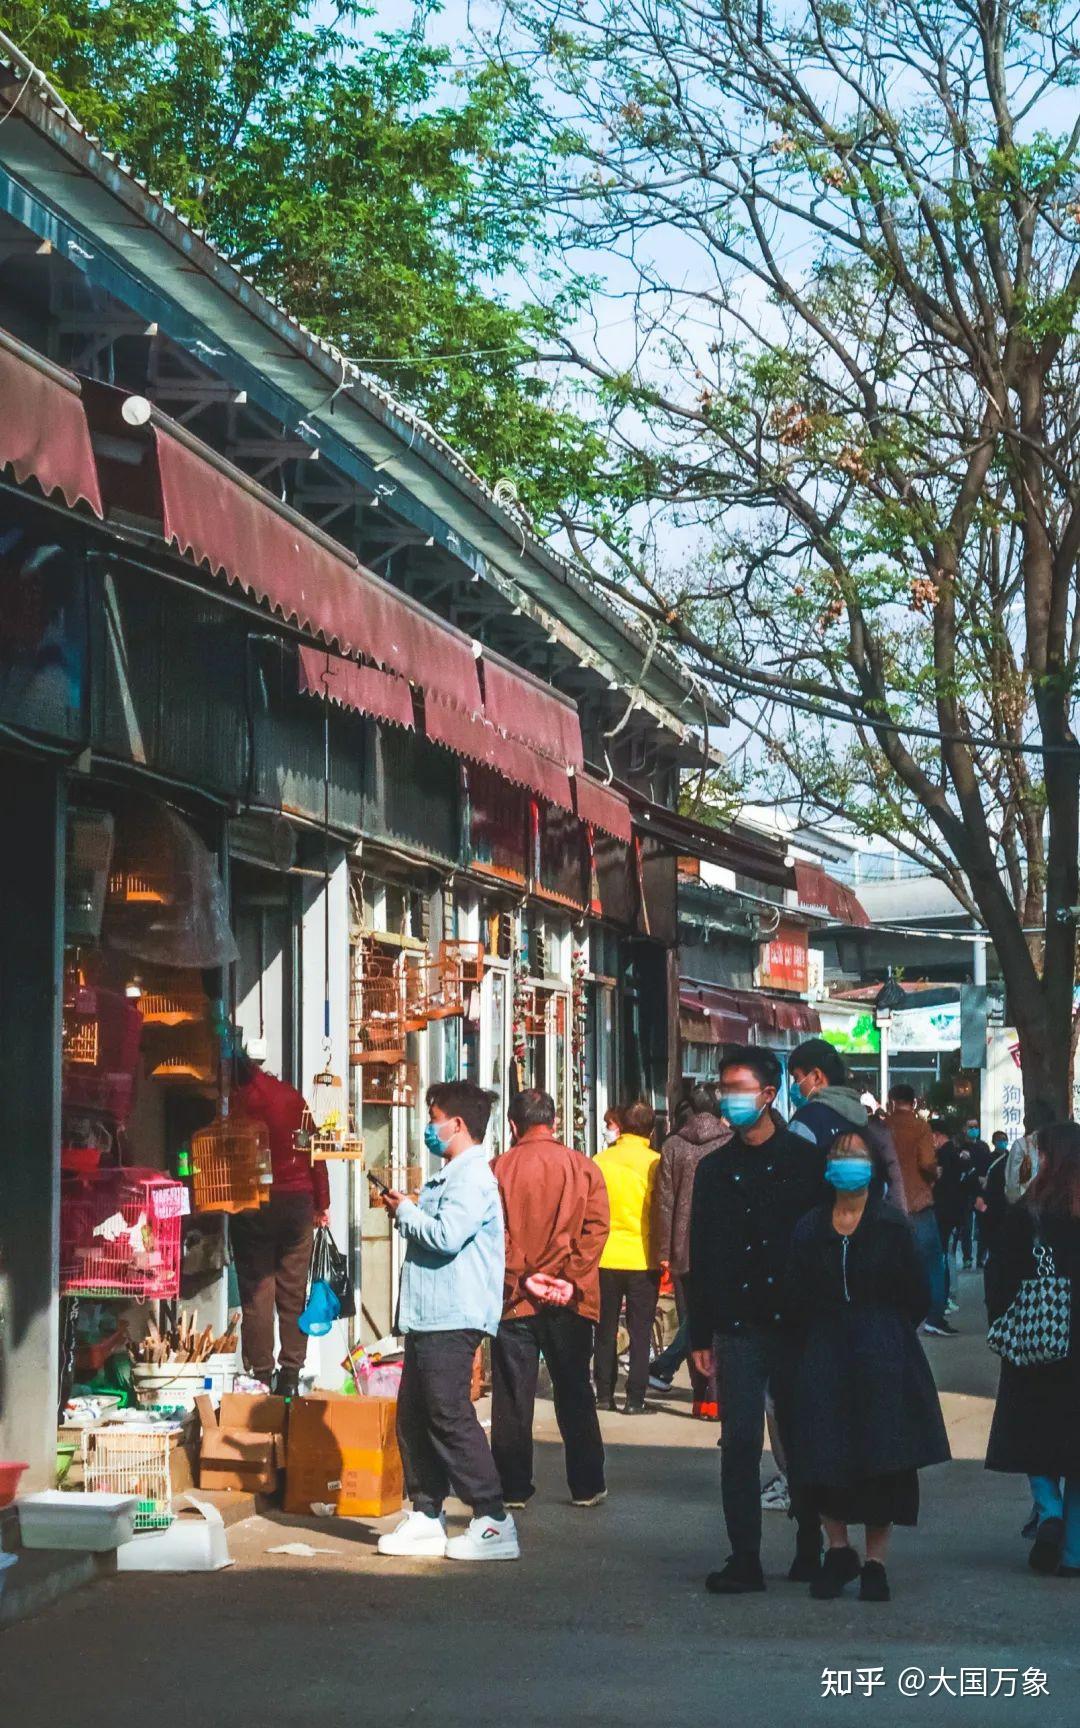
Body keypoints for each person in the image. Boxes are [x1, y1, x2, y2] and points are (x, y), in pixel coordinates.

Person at [784, 1130, 950, 1602]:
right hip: (823, 1348)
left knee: (884, 1456)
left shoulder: (891, 1225)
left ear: (873, 1167)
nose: (847, 1164)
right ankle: (838, 1549)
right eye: (838, 1156)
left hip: (882, 1348)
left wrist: (887, 1328)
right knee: (822, 1451)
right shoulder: (810, 1226)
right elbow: (795, 1291)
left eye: (855, 1157)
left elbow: (918, 1293)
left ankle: (875, 1560)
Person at [687, 1046, 826, 1595]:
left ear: (769, 1095)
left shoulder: (805, 1164)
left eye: (740, 1088)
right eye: (724, 1088)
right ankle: (744, 1554)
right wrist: (700, 1333)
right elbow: (702, 1251)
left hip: (796, 1324)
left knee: (802, 1437)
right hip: (738, 1327)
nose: (730, 1098)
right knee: (738, 1443)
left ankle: (811, 1540)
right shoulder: (714, 1168)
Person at [378, 1081, 519, 1562]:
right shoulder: (450, 1176)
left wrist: (405, 1211)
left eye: (433, 1116)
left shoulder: (472, 1177)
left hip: (453, 1315)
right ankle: (425, 1513)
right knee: (414, 1415)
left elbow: (445, 1236)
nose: (429, 1127)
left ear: (456, 1124)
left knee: (448, 1413)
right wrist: (408, 1209)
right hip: (428, 1315)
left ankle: (493, 1517)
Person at [490, 1088, 610, 1510]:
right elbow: (596, 1230)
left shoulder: (497, 1170)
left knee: (512, 1395)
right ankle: (586, 1484)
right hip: (570, 1302)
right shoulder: (583, 1167)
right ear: (555, 1123)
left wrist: (524, 1276)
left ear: (511, 1125)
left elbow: (493, 1236)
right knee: (574, 1389)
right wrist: (570, 1279)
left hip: (513, 1299)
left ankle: (513, 1487)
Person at [986, 1121, 1080, 1579]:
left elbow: (998, 1273)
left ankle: (1049, 1510)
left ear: (1048, 1158)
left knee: (1034, 1436)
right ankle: (1075, 1552)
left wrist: (1001, 1322)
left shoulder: (1028, 1211)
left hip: (1037, 1339)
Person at [231, 1054, 331, 1397]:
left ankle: (261, 1374)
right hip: (297, 1204)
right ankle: (290, 1374)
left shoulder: (238, 1100)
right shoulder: (290, 1096)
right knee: (293, 1291)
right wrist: (322, 1202)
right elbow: (313, 1152)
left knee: (259, 1291)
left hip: (254, 1201)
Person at [654, 1085, 729, 1418]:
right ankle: (719, 1397)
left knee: (694, 1323)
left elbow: (665, 1202)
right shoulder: (729, 1142)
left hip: (683, 1249)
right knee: (721, 1325)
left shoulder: (673, 1145)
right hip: (721, 1247)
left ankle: (702, 1398)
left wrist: (664, 1250)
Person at [593, 1100, 661, 1414]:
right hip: (642, 1257)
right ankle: (635, 1399)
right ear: (651, 1129)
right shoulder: (656, 1163)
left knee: (605, 1328)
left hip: (605, 1257)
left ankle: (603, 1395)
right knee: (640, 1330)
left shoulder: (599, 1161)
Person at [787, 1039, 907, 1211]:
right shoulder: (861, 1116)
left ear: (816, 1076)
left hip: (820, 1226)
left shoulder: (808, 1119)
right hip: (865, 1222)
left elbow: (794, 1184)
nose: (795, 1087)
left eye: (797, 1078)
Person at [886, 1084, 955, 1337]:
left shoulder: (884, 1126)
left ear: (892, 1101)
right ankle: (934, 1315)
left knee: (893, 1261)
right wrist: (933, 1174)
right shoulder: (920, 1127)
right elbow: (927, 1161)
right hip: (919, 1202)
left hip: (889, 1203)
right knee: (932, 1262)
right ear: (913, 1102)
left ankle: (897, 1315)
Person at [960, 1119, 994, 1268]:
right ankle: (967, 1258)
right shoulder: (959, 1147)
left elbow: (988, 1167)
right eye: (970, 1127)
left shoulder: (983, 1147)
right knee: (966, 1227)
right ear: (964, 1129)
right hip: (966, 1193)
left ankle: (981, 1257)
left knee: (984, 1225)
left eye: (976, 1127)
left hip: (981, 1193)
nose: (974, 1129)